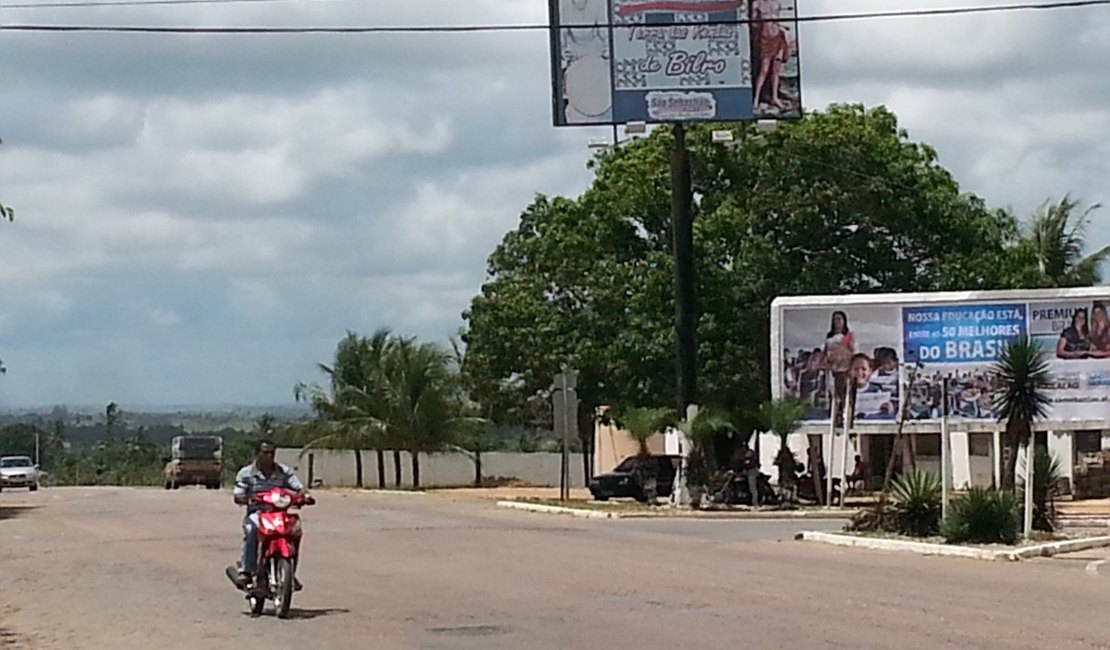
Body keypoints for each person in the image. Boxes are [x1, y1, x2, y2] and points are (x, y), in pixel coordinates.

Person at [225, 438, 311, 592]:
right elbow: (238, 494)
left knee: (295, 531)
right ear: (257, 454)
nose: (269, 456)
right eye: (265, 453)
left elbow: (298, 486)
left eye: (272, 453)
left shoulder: (283, 471)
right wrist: (245, 498)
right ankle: (246, 570)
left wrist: (305, 496)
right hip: (258, 513)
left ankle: (289, 571)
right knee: (252, 530)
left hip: (279, 514)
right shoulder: (246, 473)